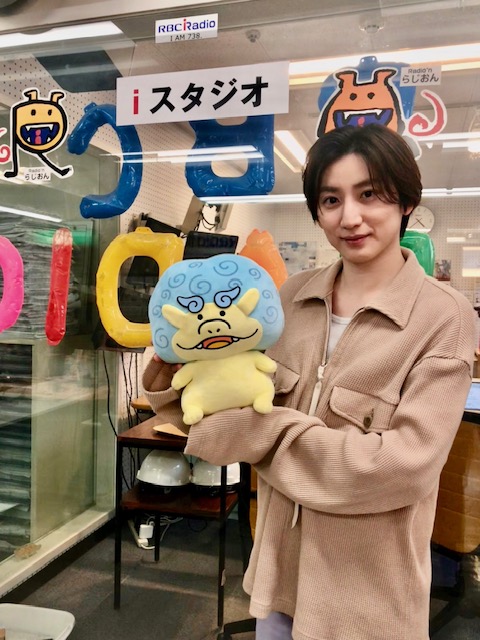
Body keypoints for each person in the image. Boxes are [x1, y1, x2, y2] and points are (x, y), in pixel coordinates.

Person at [142, 124, 476, 640]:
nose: (350, 217)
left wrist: (266, 435)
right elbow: (209, 412)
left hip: (367, 598)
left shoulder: (442, 316)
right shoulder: (288, 299)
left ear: (406, 200)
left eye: (369, 194)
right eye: (330, 199)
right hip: (278, 580)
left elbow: (403, 467)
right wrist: (178, 349)